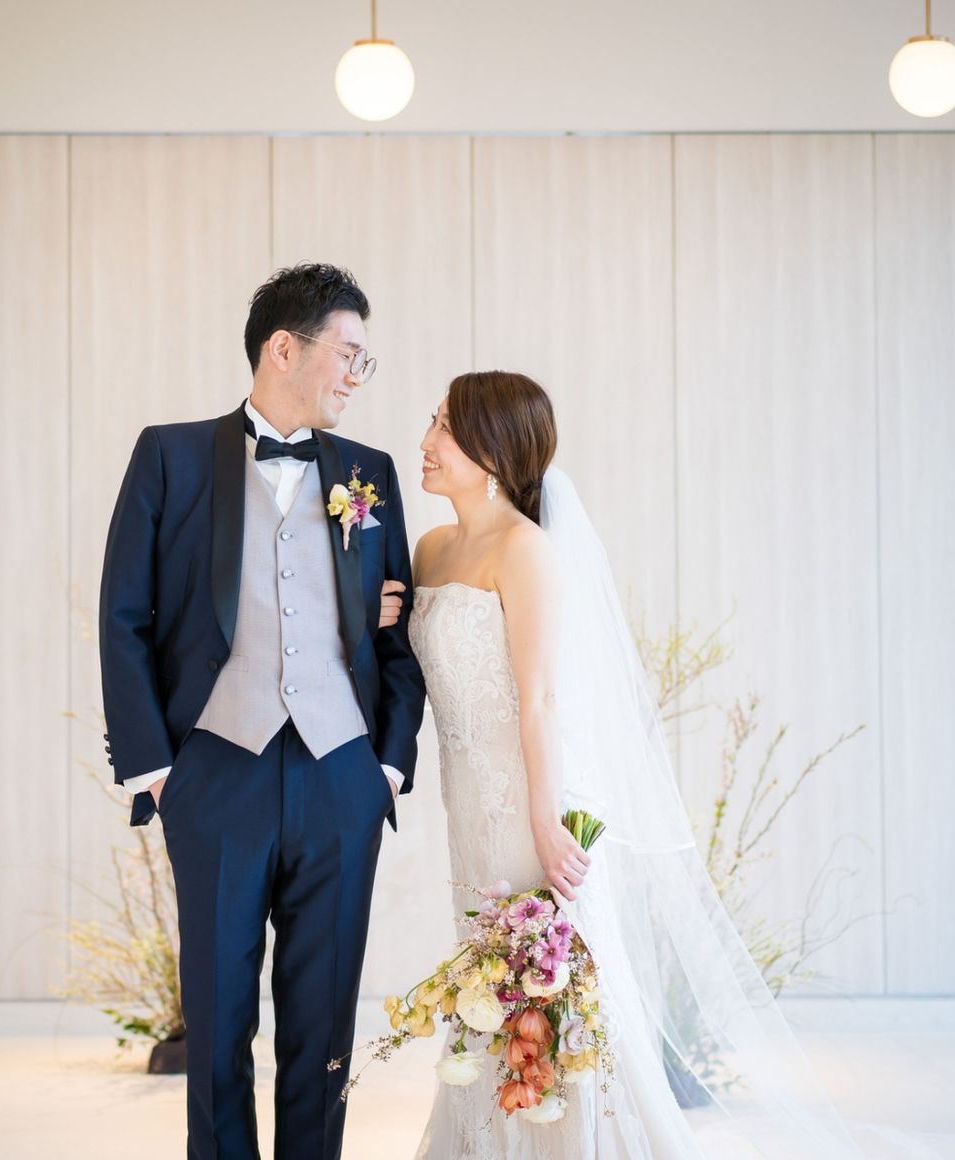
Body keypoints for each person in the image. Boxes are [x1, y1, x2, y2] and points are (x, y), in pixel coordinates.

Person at [406, 371, 862, 1158]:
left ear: (492, 452)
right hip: (466, 805)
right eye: (432, 422)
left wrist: (546, 824)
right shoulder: (431, 549)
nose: (426, 441)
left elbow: (540, 700)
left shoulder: (526, 550)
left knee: (547, 991)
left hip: (530, 805)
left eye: (444, 427)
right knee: (485, 986)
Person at [98, 263, 426, 1160]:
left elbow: (400, 632)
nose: (358, 375)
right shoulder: (169, 457)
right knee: (215, 1025)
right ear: (284, 348)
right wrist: (158, 770)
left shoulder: (369, 474)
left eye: (364, 360)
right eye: (348, 354)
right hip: (215, 773)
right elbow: (123, 616)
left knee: (324, 1030)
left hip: (340, 774)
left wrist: (386, 767)